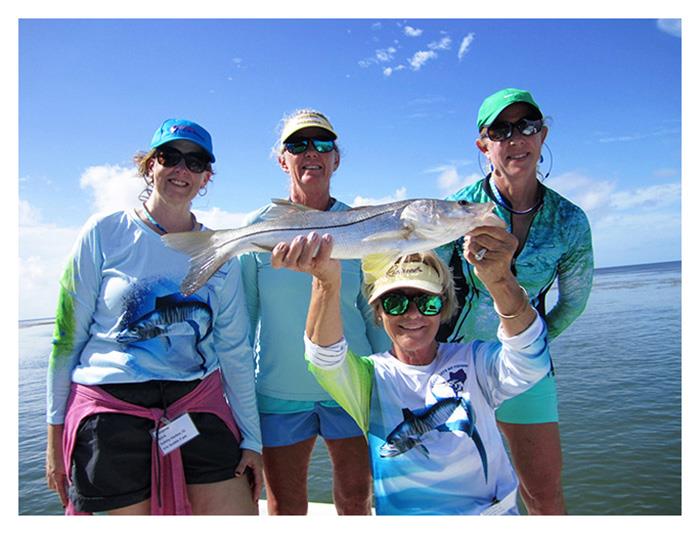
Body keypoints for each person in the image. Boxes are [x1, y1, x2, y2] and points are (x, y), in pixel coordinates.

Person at [45, 118, 262, 515]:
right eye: (170, 157)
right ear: (150, 166)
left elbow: (234, 350)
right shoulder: (104, 232)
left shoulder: (221, 250)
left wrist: (252, 440)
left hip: (195, 406)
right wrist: (54, 435)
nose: (182, 169)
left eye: (195, 162)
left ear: (206, 178)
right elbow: (66, 338)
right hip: (110, 411)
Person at [269, 228, 551, 515]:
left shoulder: (476, 360)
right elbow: (323, 358)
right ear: (378, 312)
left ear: (444, 308)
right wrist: (326, 282)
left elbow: (529, 361)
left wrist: (500, 280)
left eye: (428, 303)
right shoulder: (370, 379)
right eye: (395, 302)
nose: (413, 314)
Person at [438, 88, 594, 514]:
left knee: (543, 493)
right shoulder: (455, 211)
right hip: (457, 366)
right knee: (459, 496)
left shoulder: (570, 221)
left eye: (526, 126)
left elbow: (573, 302)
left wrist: (532, 344)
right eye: (501, 129)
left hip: (528, 369)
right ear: (483, 145)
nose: (515, 138)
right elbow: (428, 287)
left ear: (542, 135)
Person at [239, 109, 390, 515]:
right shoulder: (257, 228)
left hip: (350, 383)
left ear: (336, 159)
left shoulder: (360, 223)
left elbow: (371, 310)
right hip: (279, 392)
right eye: (297, 144)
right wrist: (241, 404)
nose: (311, 152)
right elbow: (243, 325)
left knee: (357, 498)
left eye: (323, 143)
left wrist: (386, 383)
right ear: (281, 159)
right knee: (286, 504)